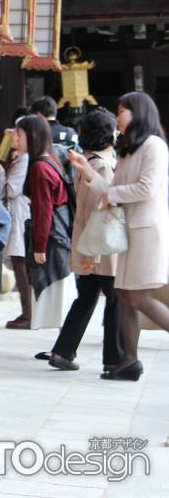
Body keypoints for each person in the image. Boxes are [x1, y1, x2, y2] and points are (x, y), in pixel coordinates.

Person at [69, 92, 169, 380]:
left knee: (137, 297)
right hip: (127, 234)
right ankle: (129, 361)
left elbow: (146, 188)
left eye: (121, 110)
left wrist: (111, 195)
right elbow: (111, 189)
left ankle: (128, 360)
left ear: (138, 113)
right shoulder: (128, 149)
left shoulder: (154, 146)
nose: (117, 117)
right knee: (125, 296)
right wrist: (87, 170)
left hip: (147, 234)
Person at [40, 108, 125, 373]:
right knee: (114, 299)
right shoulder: (101, 165)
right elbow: (100, 211)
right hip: (101, 244)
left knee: (87, 297)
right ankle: (114, 359)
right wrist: (93, 254)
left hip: (88, 240)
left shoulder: (88, 160)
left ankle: (64, 351)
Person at [15, 114, 77, 331]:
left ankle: (63, 344)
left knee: (56, 298)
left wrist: (39, 246)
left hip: (52, 238)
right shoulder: (51, 160)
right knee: (62, 297)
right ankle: (63, 343)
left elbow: (44, 211)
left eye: (19, 134)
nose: (15, 138)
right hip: (60, 235)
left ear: (31, 136)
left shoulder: (39, 168)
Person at [2, 121, 32, 329]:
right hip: (18, 212)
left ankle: (28, 313)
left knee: (20, 263)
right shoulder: (19, 158)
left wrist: (0, 172)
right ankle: (28, 311)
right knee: (19, 263)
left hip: (20, 212)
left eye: (18, 134)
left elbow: (11, 189)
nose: (13, 136)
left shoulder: (24, 159)